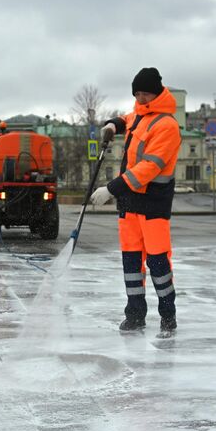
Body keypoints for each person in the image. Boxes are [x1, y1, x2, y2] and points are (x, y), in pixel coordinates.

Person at [90, 67, 182, 334]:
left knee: (158, 263)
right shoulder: (139, 116)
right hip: (130, 205)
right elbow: (125, 118)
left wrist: (111, 189)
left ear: (157, 92)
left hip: (153, 205)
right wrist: (112, 124)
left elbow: (148, 168)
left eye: (145, 94)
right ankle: (135, 315)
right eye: (137, 93)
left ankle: (167, 315)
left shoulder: (167, 125)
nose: (141, 98)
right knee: (131, 264)